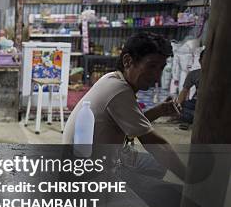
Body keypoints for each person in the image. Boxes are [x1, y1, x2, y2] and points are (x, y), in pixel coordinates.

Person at [63, 32, 185, 180]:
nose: (156, 75)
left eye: (161, 68)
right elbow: (156, 144)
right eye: (151, 66)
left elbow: (133, 124)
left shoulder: (112, 79)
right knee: (163, 190)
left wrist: (159, 110)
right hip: (90, 175)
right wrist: (191, 180)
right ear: (128, 61)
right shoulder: (119, 91)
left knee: (156, 166)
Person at [176, 49, 203, 130]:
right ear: (200, 61)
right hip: (196, 103)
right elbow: (184, 91)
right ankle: (190, 118)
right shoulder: (194, 74)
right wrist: (178, 105)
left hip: (212, 104)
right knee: (184, 106)